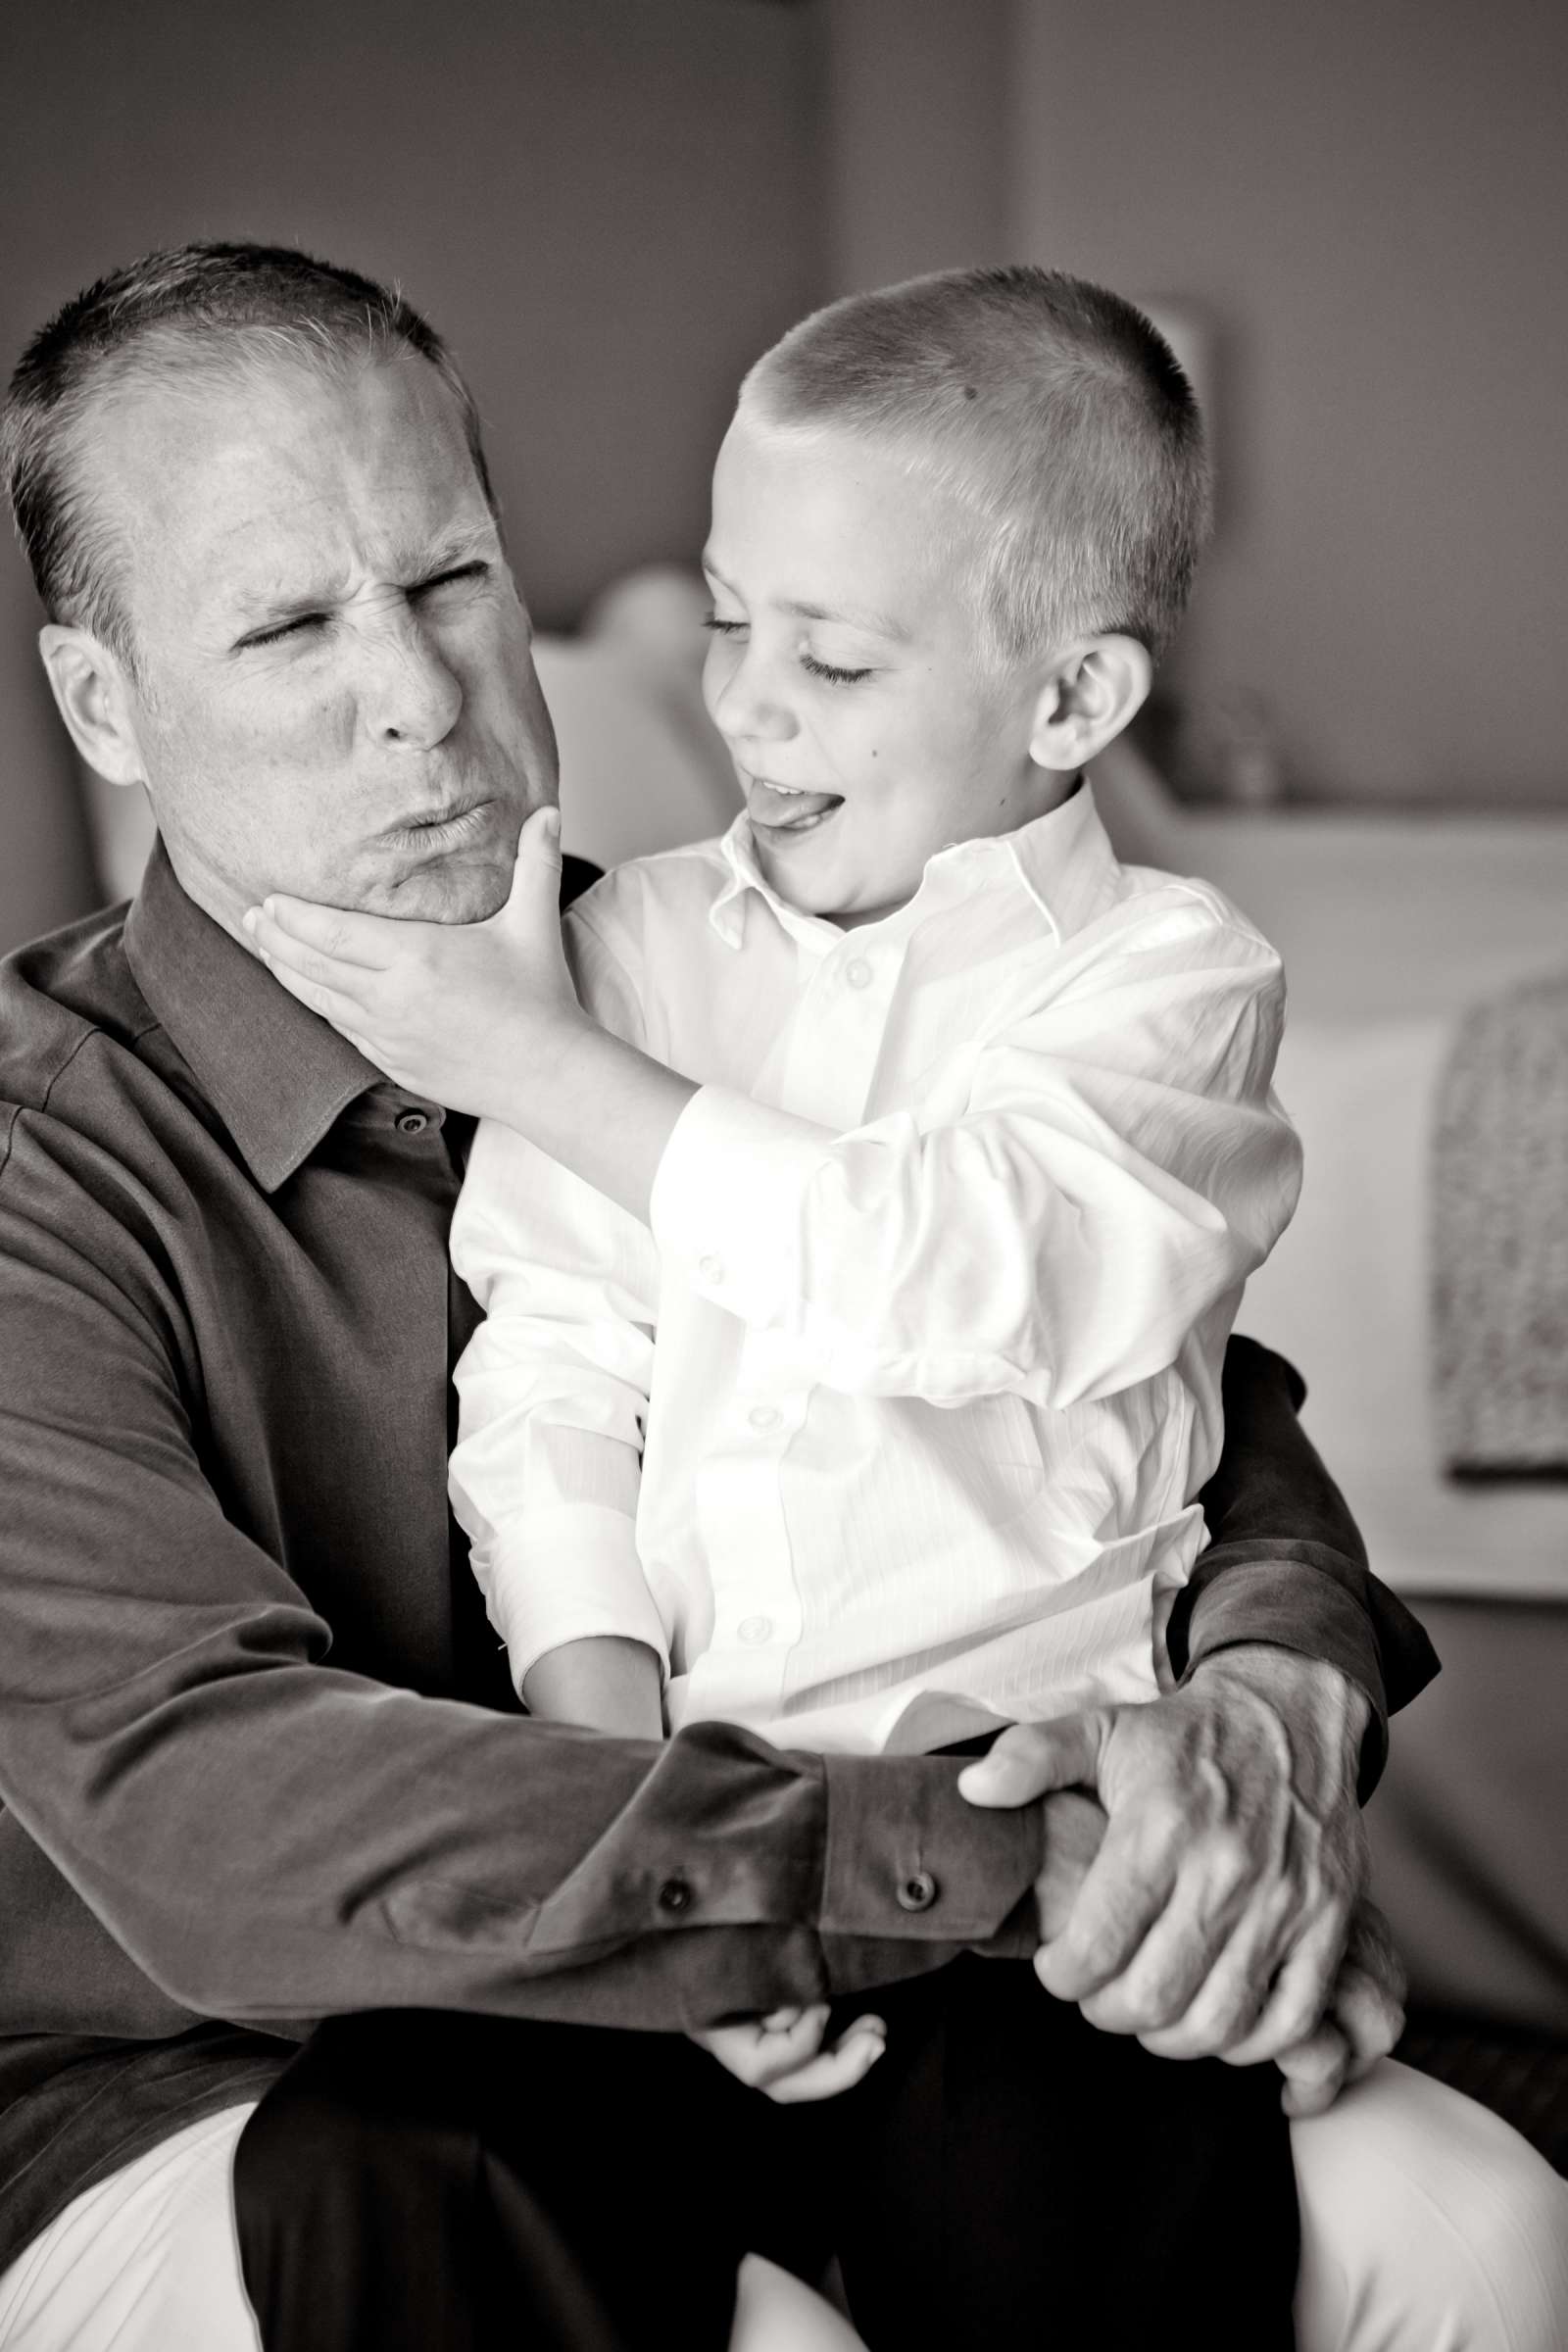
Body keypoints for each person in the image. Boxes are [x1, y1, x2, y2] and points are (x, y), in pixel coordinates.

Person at [0, 240, 1559, 2352]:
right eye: (287, 627)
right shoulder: (38, 1170)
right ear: (105, 706)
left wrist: (1268, 1705)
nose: (425, 695)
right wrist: (999, 1860)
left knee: (1479, 2226)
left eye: (450, 579)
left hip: (834, 1976)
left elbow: (1178, 1371)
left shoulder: (682, 969)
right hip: (240, 2087)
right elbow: (205, 1800)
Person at [249, 264, 1300, 2341]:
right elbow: (549, 1371)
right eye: (725, 621)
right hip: (660, 1817)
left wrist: (543, 1071)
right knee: (395, 2155)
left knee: (1072, 2232)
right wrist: (619, 1822)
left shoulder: (1169, 991)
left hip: (1016, 1866)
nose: (741, 708)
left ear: (1071, 704)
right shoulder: (635, 952)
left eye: (826, 658)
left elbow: (969, 1270)